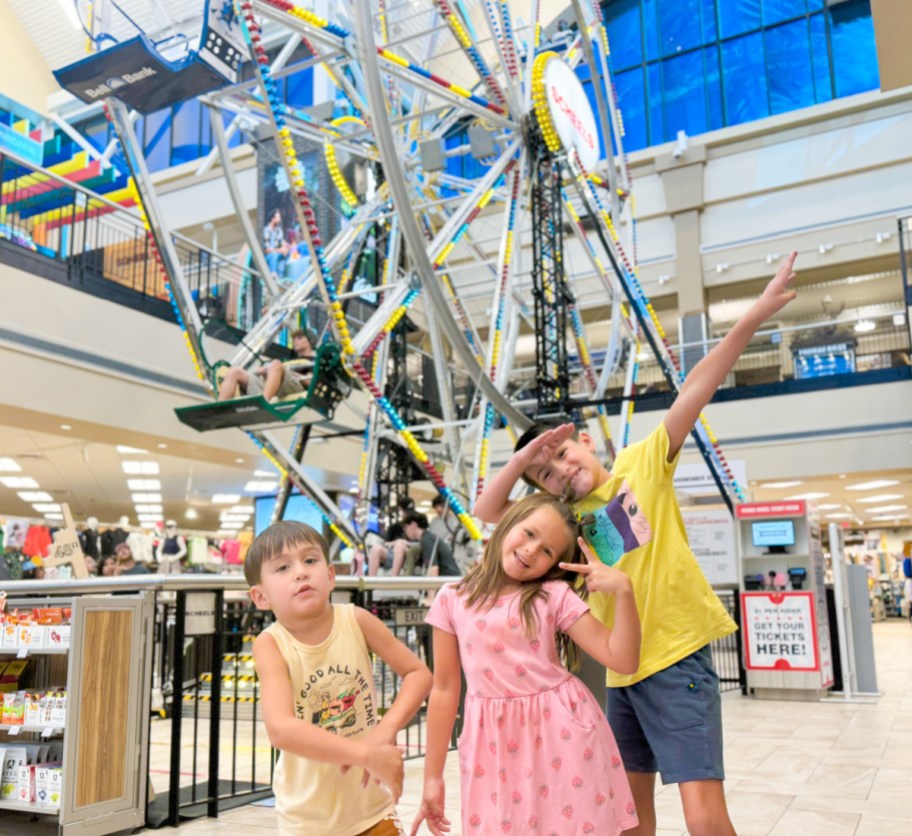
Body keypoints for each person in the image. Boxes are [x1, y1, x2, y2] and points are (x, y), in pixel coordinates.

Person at [474, 253, 800, 836]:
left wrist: (752, 315)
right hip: (621, 674)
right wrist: (526, 458)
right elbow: (487, 513)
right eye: (547, 477)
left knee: (703, 815)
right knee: (628, 817)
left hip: (677, 659)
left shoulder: (640, 465)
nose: (562, 473)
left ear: (586, 443)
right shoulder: (563, 521)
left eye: (564, 455)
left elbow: (696, 388)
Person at [412, 493, 642, 836]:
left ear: (553, 565)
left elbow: (622, 659)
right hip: (490, 747)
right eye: (530, 533)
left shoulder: (553, 596)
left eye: (548, 551)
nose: (532, 550)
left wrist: (624, 592)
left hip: (561, 736)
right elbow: (444, 691)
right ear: (508, 522)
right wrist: (432, 778)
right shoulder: (451, 598)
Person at [246, 521, 432, 835]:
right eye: (282, 567)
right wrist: (365, 754)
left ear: (331, 575)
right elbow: (281, 729)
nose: (301, 572)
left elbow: (418, 674)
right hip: (308, 822)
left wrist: (385, 731)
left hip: (373, 811)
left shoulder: (356, 620)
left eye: (310, 560)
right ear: (261, 597)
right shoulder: (270, 644)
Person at [217, 329, 316, 402]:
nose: (295, 341)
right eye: (294, 338)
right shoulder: (287, 360)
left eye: (299, 338)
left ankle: (264, 402)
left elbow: (311, 382)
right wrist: (263, 372)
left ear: (310, 341)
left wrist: (293, 374)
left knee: (276, 364)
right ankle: (219, 407)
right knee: (234, 372)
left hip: (293, 386)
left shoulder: (313, 361)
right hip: (272, 386)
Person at [401, 512, 461, 578]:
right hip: (449, 579)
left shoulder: (426, 540)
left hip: (448, 581)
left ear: (413, 525)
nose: (405, 531)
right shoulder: (428, 537)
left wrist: (429, 588)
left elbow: (433, 569)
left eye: (405, 527)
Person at [263, 209, 291, 278]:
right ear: (273, 219)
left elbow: (281, 241)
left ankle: (281, 275)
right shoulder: (266, 231)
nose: (279, 220)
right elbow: (266, 250)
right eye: (278, 218)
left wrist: (286, 247)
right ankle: (273, 274)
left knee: (287, 254)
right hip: (267, 256)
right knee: (273, 255)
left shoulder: (278, 230)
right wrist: (280, 250)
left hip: (276, 253)